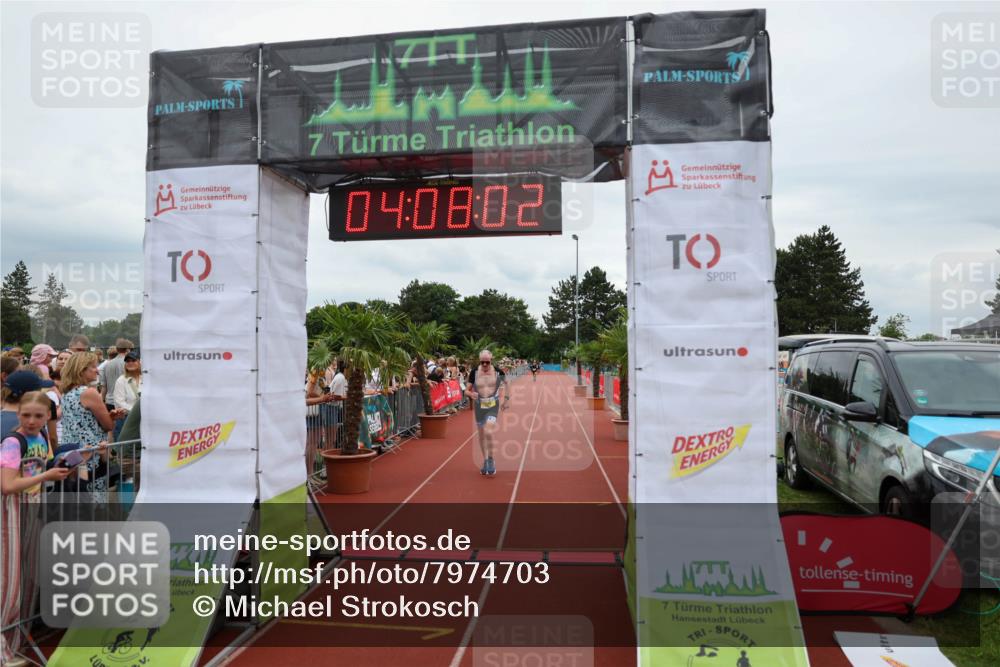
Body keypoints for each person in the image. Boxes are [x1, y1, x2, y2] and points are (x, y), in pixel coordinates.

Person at [1, 391, 74, 666]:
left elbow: (46, 466)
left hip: (32, 506)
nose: (31, 421)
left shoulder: (41, 437)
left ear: (48, 418)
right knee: (8, 581)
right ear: (17, 414)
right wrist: (47, 475)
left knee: (27, 576)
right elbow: (7, 485)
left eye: (38, 416)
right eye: (26, 415)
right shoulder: (11, 442)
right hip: (10, 510)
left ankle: (13, 642)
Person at [60, 353, 120, 502]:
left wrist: (108, 417)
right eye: (93, 366)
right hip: (92, 453)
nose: (97, 370)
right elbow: (107, 426)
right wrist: (111, 419)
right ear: (81, 370)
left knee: (76, 496)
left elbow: (84, 420)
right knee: (94, 499)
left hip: (72, 451)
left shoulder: (66, 393)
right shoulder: (89, 393)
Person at [464, 350, 509, 476]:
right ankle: (485, 460)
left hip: (492, 405)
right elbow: (466, 391)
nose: (484, 365)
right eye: (482, 362)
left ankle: (491, 459)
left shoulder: (498, 372)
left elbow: (504, 388)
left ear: (491, 360)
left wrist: (504, 401)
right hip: (479, 406)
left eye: (487, 362)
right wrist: (470, 394)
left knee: (489, 431)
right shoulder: (474, 372)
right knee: (482, 435)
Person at [112, 353, 141, 441]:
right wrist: (137, 412)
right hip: (126, 420)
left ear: (139, 362)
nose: (130, 363)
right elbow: (119, 402)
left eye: (133, 360)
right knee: (126, 450)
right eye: (127, 361)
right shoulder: (121, 380)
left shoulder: (146, 378)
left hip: (144, 420)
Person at [99, 339, 132, 409]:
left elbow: (104, 386)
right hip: (124, 403)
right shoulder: (130, 364)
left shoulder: (107, 364)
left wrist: (102, 400)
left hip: (109, 402)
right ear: (128, 350)